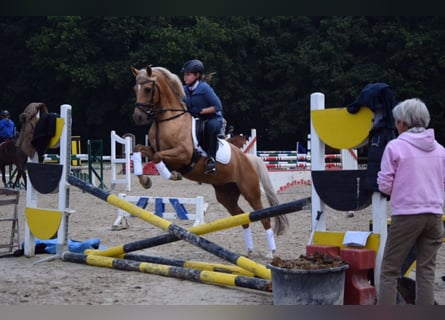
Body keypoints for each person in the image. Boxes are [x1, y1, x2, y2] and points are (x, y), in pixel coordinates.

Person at [377, 98, 445, 305]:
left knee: (389, 270)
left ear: (402, 123)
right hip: (434, 215)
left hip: (407, 214)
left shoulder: (395, 147)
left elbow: (384, 184)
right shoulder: (440, 150)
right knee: (426, 270)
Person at [181, 59, 224, 174]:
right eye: (185, 75)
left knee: (211, 127)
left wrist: (201, 111)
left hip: (212, 118)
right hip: (196, 119)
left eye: (188, 75)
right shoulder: (184, 89)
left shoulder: (204, 88)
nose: (185, 77)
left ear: (197, 75)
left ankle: (211, 160)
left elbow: (217, 106)